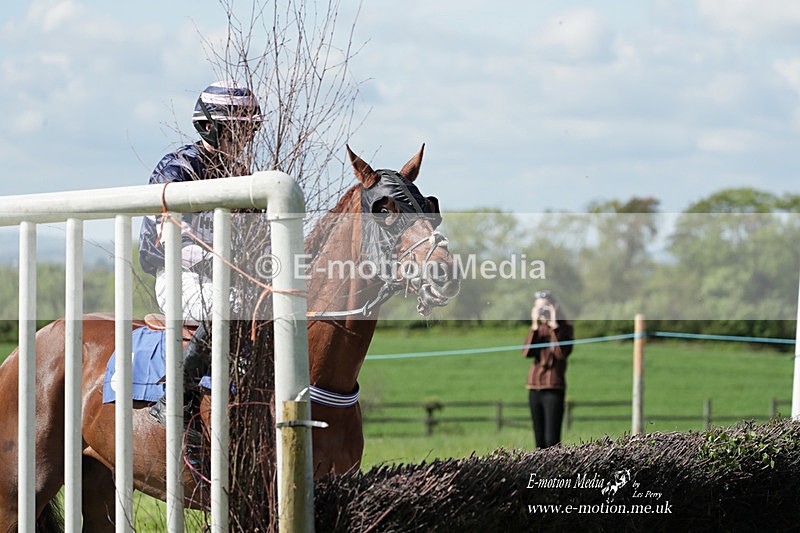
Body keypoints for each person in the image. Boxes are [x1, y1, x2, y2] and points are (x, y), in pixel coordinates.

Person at [139, 80, 263, 426]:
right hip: (180, 278)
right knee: (229, 307)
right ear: (207, 126)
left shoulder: (241, 176)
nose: (244, 138)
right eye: (236, 129)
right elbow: (169, 241)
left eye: (249, 130)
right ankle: (177, 396)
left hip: (227, 279)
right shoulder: (177, 169)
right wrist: (223, 262)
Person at [522, 290, 574, 448]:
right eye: (539, 308)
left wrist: (554, 327)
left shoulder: (565, 328)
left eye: (545, 307)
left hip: (553, 387)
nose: (543, 311)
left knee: (552, 439)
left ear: (554, 307)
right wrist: (534, 326)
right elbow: (526, 352)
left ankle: (554, 471)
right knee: (539, 440)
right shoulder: (538, 329)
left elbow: (561, 354)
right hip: (534, 388)